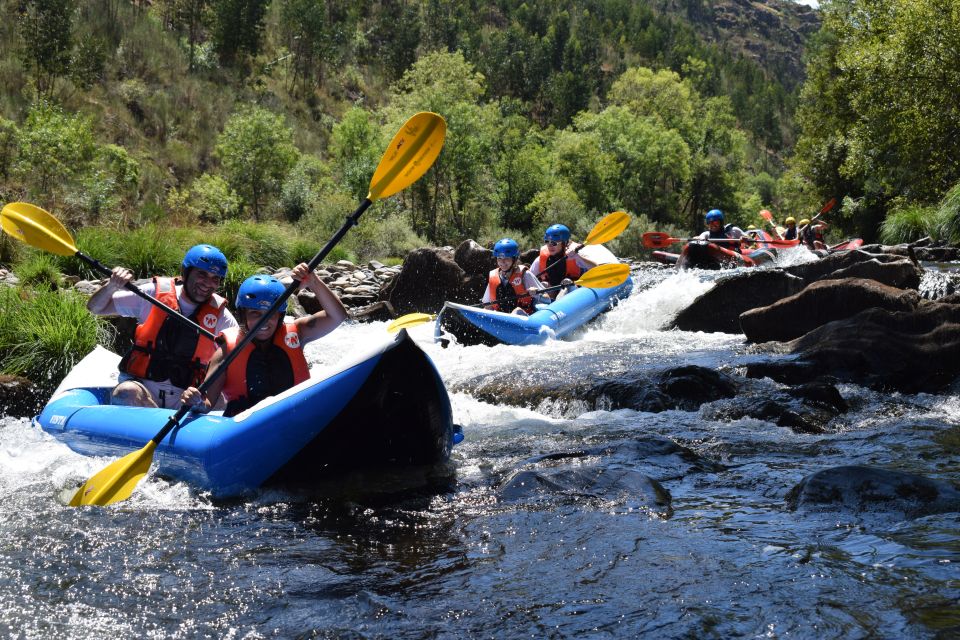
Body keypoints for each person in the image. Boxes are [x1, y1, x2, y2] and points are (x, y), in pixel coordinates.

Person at [180, 263, 348, 417]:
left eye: (271, 314)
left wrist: (313, 281)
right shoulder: (225, 352)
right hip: (248, 428)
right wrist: (196, 401)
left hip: (294, 417)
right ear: (242, 315)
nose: (264, 322)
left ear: (280, 316)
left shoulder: (297, 332)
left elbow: (338, 316)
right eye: (255, 313)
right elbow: (208, 402)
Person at [87, 244, 237, 408]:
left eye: (215, 278)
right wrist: (112, 286)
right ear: (185, 272)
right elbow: (95, 308)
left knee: (221, 402)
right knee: (126, 391)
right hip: (143, 391)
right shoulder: (153, 294)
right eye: (202, 274)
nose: (208, 283)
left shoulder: (221, 315)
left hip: (186, 399)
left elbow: (238, 355)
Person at [528, 224, 597, 299]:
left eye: (554, 243)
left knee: (567, 283)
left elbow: (596, 268)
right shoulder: (540, 259)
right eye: (547, 241)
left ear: (565, 243)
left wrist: (578, 257)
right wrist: (532, 288)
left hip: (574, 293)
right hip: (552, 295)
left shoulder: (575, 255)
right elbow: (528, 279)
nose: (550, 245)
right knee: (544, 284)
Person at [483, 238, 547, 315]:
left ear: (515, 259)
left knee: (517, 311)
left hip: (525, 317)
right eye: (499, 258)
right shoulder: (493, 277)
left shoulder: (525, 275)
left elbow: (547, 299)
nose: (502, 262)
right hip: (502, 319)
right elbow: (487, 306)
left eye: (506, 258)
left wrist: (537, 293)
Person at [677, 209, 748, 269]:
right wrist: (697, 238)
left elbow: (749, 240)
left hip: (734, 257)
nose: (713, 225)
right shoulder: (707, 234)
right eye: (710, 223)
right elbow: (701, 238)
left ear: (721, 222)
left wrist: (745, 239)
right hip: (717, 261)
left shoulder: (734, 230)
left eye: (715, 222)